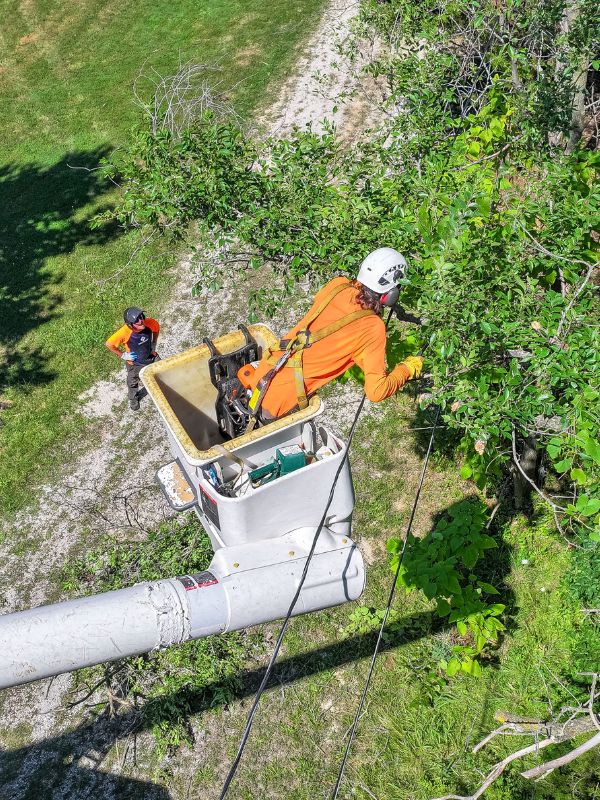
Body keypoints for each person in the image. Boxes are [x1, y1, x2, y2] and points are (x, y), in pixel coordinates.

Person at [238, 248, 423, 421]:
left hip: (264, 372)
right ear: (390, 294)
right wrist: (407, 369)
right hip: (278, 404)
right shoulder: (372, 328)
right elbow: (377, 391)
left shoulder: (338, 284)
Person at [105, 307, 160, 410]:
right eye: (136, 320)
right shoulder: (124, 332)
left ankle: (161, 388)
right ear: (130, 324)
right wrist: (123, 355)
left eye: (141, 317)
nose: (141, 321)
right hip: (135, 363)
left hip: (151, 356)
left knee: (161, 371)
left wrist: (154, 343)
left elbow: (156, 328)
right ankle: (133, 399)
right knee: (132, 382)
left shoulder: (149, 322)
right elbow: (109, 344)